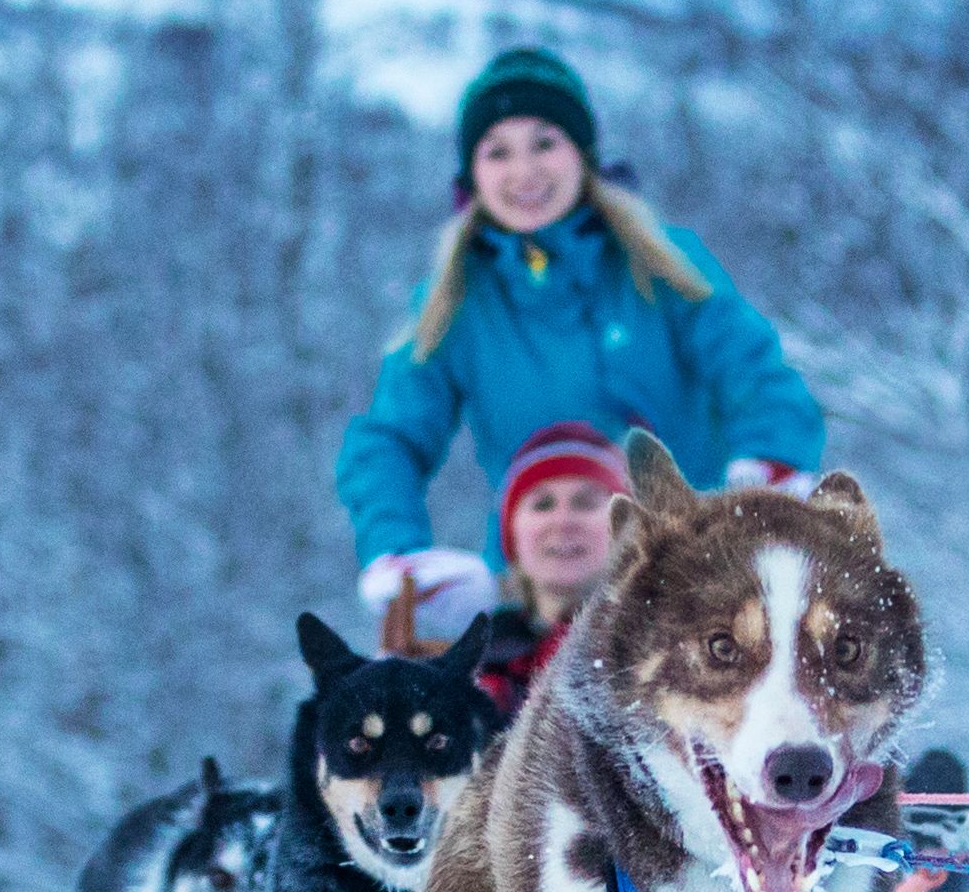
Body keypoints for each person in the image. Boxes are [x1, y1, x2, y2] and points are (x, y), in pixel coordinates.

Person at [336, 46, 824, 638]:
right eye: (497, 152)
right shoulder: (454, 304)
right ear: (472, 177)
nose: (524, 171)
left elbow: (758, 377)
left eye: (545, 142)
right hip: (541, 594)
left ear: (583, 156)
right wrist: (398, 553)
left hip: (688, 584)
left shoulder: (664, 266)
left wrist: (769, 470)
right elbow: (387, 439)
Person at [475, 421, 628, 717]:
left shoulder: (664, 653)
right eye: (542, 505)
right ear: (512, 535)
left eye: (585, 503)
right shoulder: (477, 668)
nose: (563, 521)